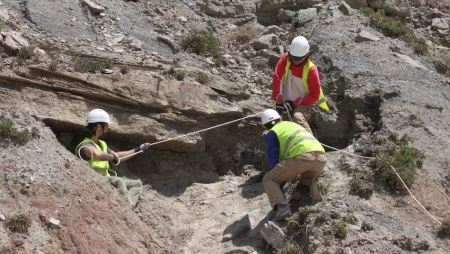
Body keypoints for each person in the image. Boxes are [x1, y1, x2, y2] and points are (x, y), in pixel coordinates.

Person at [75, 109, 150, 208]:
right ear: (98, 126)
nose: (107, 129)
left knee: (137, 184)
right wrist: (112, 157)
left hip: (106, 178)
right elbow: (97, 155)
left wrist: (137, 150)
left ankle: (128, 206)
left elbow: (117, 156)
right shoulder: (85, 146)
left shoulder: (102, 144)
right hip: (94, 178)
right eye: (105, 126)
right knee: (119, 181)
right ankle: (128, 208)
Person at [261, 109, 327, 222]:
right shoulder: (292, 124)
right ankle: (312, 182)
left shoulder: (272, 132)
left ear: (265, 126)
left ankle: (282, 208)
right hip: (321, 157)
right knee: (305, 178)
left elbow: (273, 156)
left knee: (269, 179)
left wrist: (277, 174)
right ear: (279, 119)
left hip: (302, 157)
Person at [272, 35, 329, 134]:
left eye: (298, 59)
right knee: (280, 124)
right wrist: (279, 102)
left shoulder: (311, 70)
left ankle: (313, 147)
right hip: (285, 102)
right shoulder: (285, 59)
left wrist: (293, 103)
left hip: (303, 103)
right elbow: (277, 79)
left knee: (297, 117)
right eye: (293, 58)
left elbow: (314, 95)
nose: (295, 61)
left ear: (306, 55)